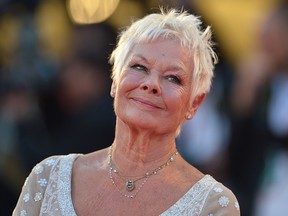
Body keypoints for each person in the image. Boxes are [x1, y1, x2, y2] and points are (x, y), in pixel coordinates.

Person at [13, 9, 240, 215]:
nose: (151, 84)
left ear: (194, 104)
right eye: (139, 67)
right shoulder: (48, 177)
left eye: (173, 78)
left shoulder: (212, 205)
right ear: (114, 81)